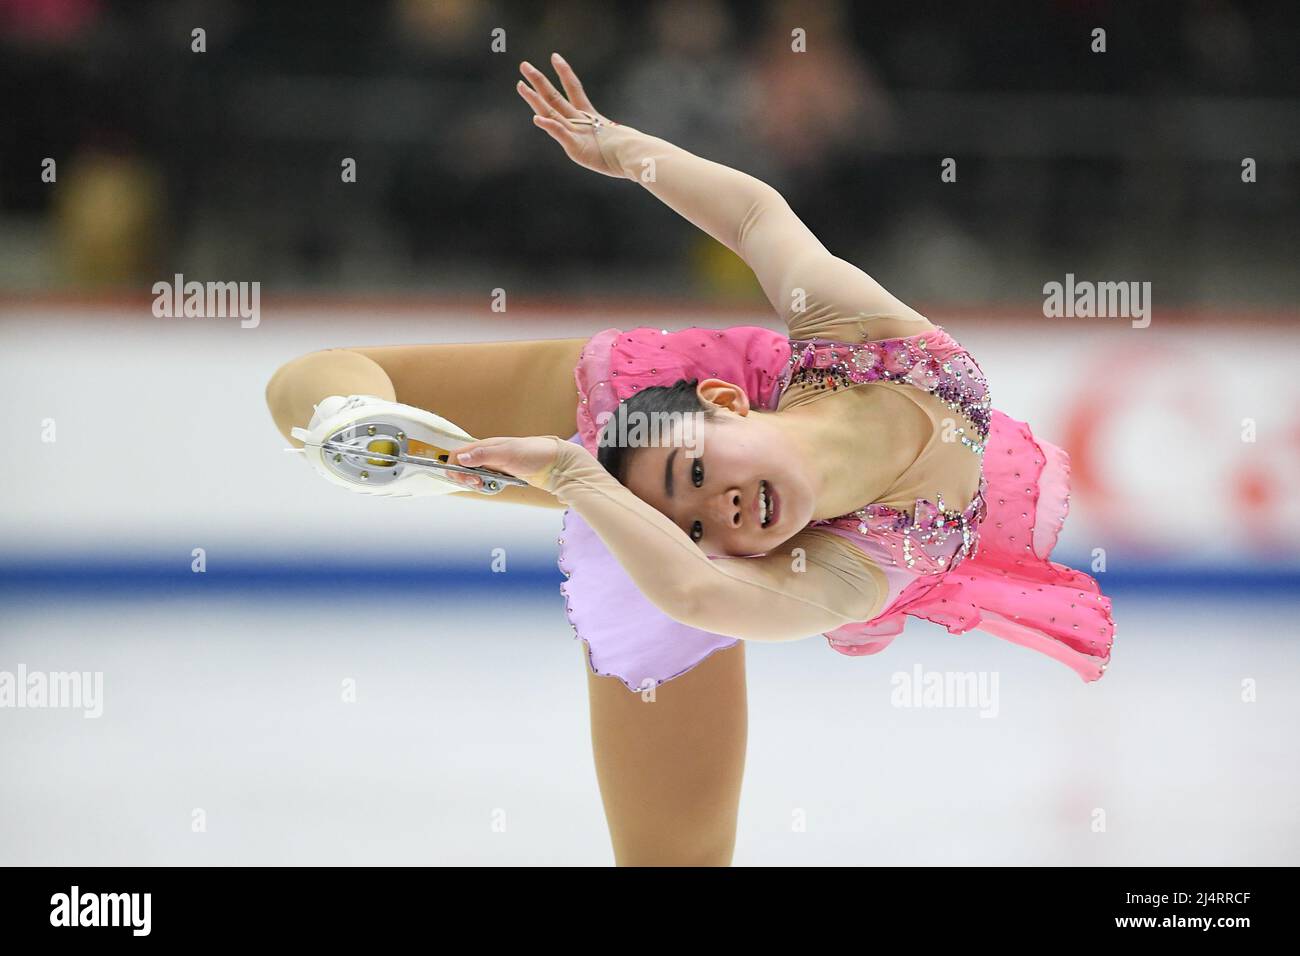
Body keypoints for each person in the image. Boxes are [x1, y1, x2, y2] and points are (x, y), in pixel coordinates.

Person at [265, 54, 1114, 866]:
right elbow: (753, 222)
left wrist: (622, 149)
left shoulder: (856, 561)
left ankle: (548, 478)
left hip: (672, 534)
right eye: (698, 505)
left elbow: (700, 582)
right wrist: (621, 157)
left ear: (728, 402)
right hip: (663, 429)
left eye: (700, 505)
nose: (723, 517)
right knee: (301, 389)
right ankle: (368, 426)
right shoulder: (882, 370)